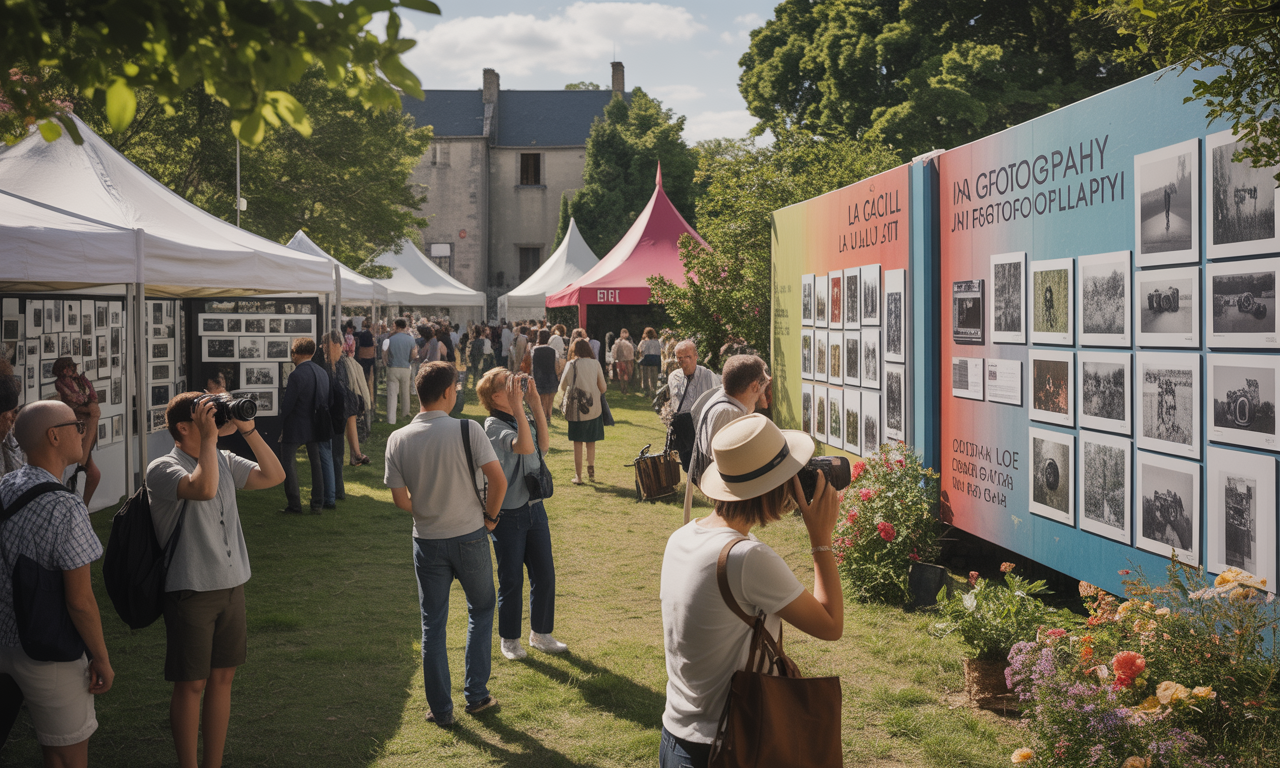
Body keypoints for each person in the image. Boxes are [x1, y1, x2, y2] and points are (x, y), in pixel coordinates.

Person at [659, 414, 843, 768]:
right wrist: (821, 541)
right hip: (728, 745)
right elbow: (831, 624)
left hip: (677, 736)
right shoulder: (748, 558)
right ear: (774, 487)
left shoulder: (682, 537)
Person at [147, 391, 284, 768]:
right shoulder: (161, 468)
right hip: (190, 589)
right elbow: (202, 489)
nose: (215, 419)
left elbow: (274, 475)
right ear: (183, 427)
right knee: (191, 684)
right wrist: (210, 439)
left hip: (232, 584)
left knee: (223, 679)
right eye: (205, 414)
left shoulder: (222, 458)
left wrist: (249, 430)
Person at [384, 362, 506, 728]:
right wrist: (491, 519)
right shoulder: (468, 429)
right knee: (482, 609)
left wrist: (425, 510)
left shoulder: (398, 438)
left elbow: (400, 500)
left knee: (432, 625)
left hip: (427, 540)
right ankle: (476, 694)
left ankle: (441, 710)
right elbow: (497, 483)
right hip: (470, 535)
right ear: (447, 393)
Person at [0, 401, 113, 768]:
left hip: (5, 640)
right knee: (65, 756)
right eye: (77, 425)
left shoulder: (6, 484)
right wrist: (101, 657)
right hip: (48, 651)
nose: (82, 432)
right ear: (54, 436)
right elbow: (80, 601)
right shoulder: (66, 507)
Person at [476, 369, 568, 660]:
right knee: (512, 579)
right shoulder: (492, 424)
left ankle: (541, 634)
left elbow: (541, 446)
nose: (516, 385)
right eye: (508, 384)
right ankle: (510, 640)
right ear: (495, 397)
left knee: (545, 574)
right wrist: (520, 406)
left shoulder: (519, 416)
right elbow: (524, 446)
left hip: (533, 508)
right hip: (508, 514)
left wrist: (535, 403)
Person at [682, 355, 771, 523]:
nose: (766, 386)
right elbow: (728, 465)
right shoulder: (729, 412)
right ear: (754, 386)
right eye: (765, 382)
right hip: (727, 500)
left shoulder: (724, 398)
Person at [280, 337, 334, 514]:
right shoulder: (322, 372)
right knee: (316, 463)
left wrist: (281, 424)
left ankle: (294, 504)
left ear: (295, 352)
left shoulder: (296, 375)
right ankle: (317, 503)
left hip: (295, 424)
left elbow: (288, 404)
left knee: (288, 463)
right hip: (316, 423)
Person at [558, 338, 607, 484]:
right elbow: (603, 388)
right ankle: (591, 473)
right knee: (591, 441)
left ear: (574, 350)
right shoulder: (595, 363)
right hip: (594, 408)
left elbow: (562, 386)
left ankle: (578, 476)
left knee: (577, 442)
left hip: (575, 409)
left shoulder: (571, 364)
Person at [51, 357, 100, 505]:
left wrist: (90, 406)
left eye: (72, 367)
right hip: (74, 422)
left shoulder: (81, 380)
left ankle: (83, 506)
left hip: (86, 422)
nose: (73, 369)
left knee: (92, 472)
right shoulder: (61, 383)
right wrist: (88, 407)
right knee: (72, 468)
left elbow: (92, 396)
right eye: (69, 367)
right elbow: (72, 400)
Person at [324, 330, 371, 475]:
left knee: (350, 417)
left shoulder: (339, 363)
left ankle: (355, 454)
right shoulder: (338, 362)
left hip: (342, 403)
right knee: (350, 417)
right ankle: (355, 454)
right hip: (340, 404)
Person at [668, 340, 721, 416]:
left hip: (701, 422)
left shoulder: (708, 376)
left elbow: (716, 403)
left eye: (687, 356)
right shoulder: (673, 377)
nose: (684, 360)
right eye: (679, 357)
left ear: (696, 356)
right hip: (680, 422)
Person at [383, 319, 416, 425]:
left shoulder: (390, 339)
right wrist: (409, 361)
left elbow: (384, 353)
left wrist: (386, 363)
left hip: (393, 367)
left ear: (397, 326)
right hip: (405, 367)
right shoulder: (410, 339)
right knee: (405, 392)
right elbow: (414, 354)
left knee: (392, 394)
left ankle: (391, 419)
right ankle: (405, 413)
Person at [530, 330, 559, 420]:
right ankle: (548, 416)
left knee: (542, 400)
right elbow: (557, 366)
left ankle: (543, 418)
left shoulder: (534, 350)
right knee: (550, 401)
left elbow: (532, 365)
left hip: (539, 377)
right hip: (551, 377)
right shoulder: (554, 351)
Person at [355, 319, 377, 409]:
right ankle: (371, 401)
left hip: (362, 358)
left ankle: (365, 400)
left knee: (363, 379)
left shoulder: (360, 334)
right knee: (370, 380)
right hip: (370, 359)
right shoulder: (370, 335)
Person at [637, 327, 662, 396]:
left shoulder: (644, 342)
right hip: (655, 359)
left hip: (647, 359)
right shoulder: (658, 342)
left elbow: (640, 350)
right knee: (654, 375)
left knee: (646, 376)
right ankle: (653, 390)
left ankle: (647, 391)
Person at [612, 329, 636, 395]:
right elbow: (632, 350)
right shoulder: (626, 342)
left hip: (622, 360)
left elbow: (614, 350)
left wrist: (614, 358)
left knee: (623, 375)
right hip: (625, 360)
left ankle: (623, 388)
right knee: (625, 374)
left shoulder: (618, 342)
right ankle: (624, 388)